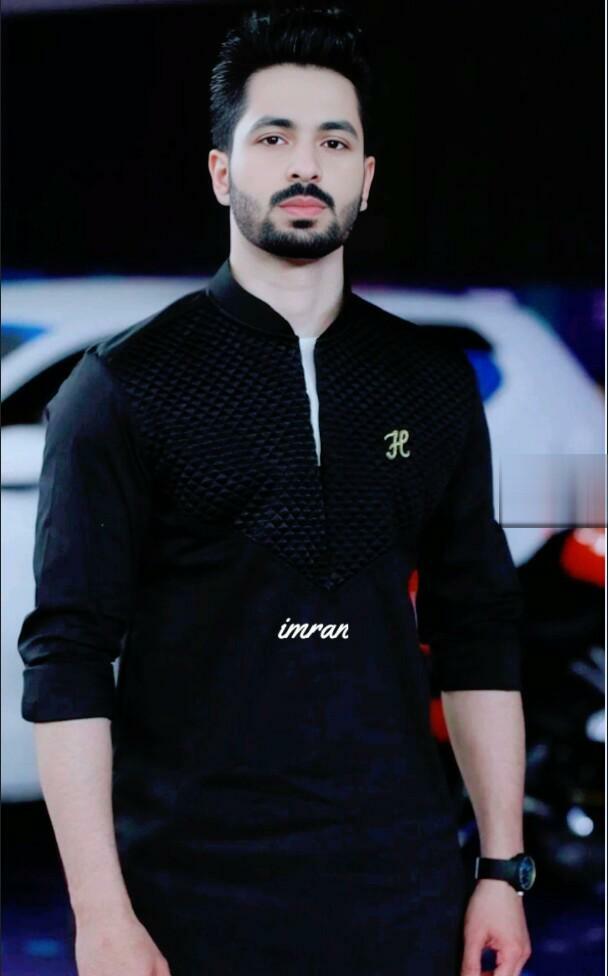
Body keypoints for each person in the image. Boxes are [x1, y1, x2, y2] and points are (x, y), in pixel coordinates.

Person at [18, 6, 534, 975]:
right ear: (222, 172)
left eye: (333, 142)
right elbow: (67, 657)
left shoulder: (430, 383)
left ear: (365, 178)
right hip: (186, 899)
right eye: (273, 138)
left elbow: (477, 630)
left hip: (405, 895)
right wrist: (100, 915)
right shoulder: (122, 387)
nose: (305, 165)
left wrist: (501, 871)